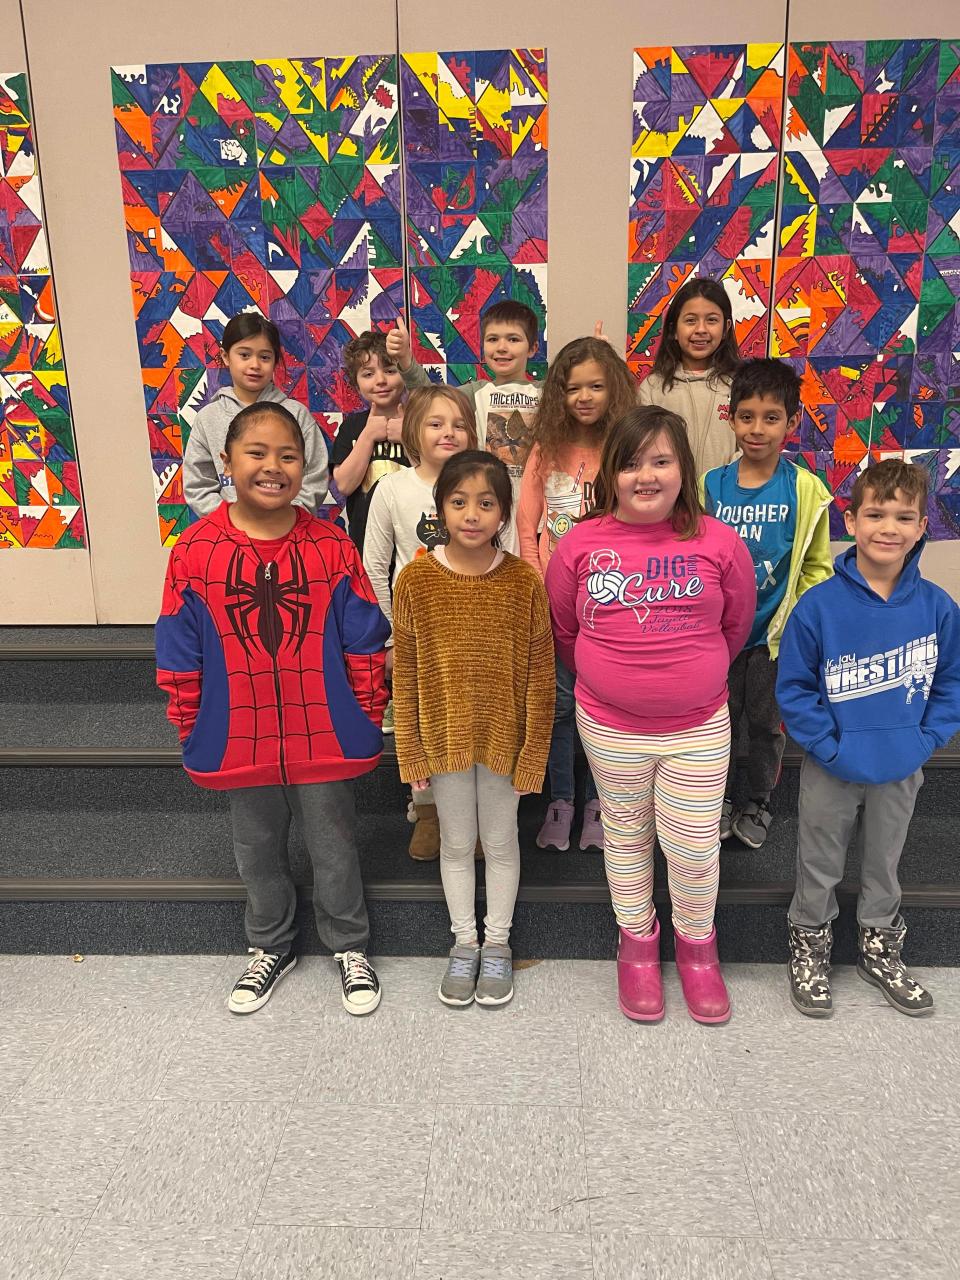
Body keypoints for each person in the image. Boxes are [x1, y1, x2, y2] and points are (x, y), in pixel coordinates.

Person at [156, 401, 389, 1016]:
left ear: (306, 463)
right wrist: (188, 718)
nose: (273, 466)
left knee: (333, 840)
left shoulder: (330, 546)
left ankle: (349, 944)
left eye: (288, 454)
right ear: (226, 462)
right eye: (256, 453)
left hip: (324, 724)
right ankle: (269, 943)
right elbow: (179, 648)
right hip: (238, 728)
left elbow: (363, 636)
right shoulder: (195, 551)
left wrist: (367, 711)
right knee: (255, 844)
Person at [545, 406, 755, 1023]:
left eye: (661, 461)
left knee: (693, 848)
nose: (646, 475)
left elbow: (735, 626)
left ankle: (696, 949)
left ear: (683, 470)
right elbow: (565, 630)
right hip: (609, 726)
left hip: (698, 727)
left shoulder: (719, 542)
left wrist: (691, 674)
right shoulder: (580, 544)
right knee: (626, 834)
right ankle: (637, 943)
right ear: (611, 473)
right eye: (632, 462)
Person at [777, 459, 960, 1018]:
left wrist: (924, 740)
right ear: (849, 521)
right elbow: (795, 688)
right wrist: (828, 746)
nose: (889, 527)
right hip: (833, 763)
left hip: (902, 763)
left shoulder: (938, 608)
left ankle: (880, 947)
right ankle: (810, 943)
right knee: (820, 861)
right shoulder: (819, 607)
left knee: (886, 860)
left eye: (904, 517)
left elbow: (950, 683)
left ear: (923, 526)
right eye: (875, 514)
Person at [392, 451, 555, 1006]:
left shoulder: (522, 583)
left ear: (504, 515)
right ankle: (464, 943)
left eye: (486, 503)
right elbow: (407, 673)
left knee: (502, 842)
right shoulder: (415, 580)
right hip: (442, 742)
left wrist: (534, 751)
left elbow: (539, 674)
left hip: (505, 742)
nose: (471, 514)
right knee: (458, 845)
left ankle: (499, 944)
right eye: (459, 501)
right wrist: (410, 751)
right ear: (440, 508)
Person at [702, 358, 833, 849]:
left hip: (773, 640)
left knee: (763, 724)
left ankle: (757, 800)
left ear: (792, 423)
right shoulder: (710, 485)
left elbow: (817, 566)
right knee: (718, 724)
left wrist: (795, 622)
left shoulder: (804, 489)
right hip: (717, 637)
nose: (758, 429)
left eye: (771, 417)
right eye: (747, 416)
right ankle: (717, 801)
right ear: (730, 418)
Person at [517, 336, 638, 853]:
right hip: (556, 607)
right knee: (562, 706)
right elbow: (528, 529)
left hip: (613, 604)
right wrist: (540, 592)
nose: (584, 397)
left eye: (596, 386)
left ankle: (601, 805)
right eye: (572, 388)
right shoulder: (546, 450)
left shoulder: (627, 448)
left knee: (607, 707)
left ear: (614, 390)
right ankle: (562, 800)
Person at [363, 386, 478, 859]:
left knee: (472, 723)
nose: (448, 433)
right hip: (415, 641)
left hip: (474, 635)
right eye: (435, 423)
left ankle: (471, 817)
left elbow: (506, 553)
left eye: (457, 423)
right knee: (422, 726)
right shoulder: (392, 488)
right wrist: (393, 636)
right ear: (413, 430)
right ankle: (427, 810)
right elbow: (373, 567)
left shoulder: (483, 484)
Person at [183, 312, 328, 516]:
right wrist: (233, 522)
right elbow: (198, 485)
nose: (255, 365)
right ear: (225, 357)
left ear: (275, 361)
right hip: (229, 536)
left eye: (265, 357)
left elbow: (315, 475)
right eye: (244, 355)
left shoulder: (297, 414)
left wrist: (289, 518)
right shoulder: (208, 418)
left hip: (288, 532)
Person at [330, 318, 430, 555]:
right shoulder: (352, 427)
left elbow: (433, 481)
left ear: (403, 375)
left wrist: (407, 437)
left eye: (390, 370)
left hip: (414, 541)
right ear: (356, 384)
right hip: (366, 543)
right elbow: (343, 485)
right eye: (368, 374)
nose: (381, 381)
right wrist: (367, 436)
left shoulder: (421, 423)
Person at [454, 300, 543, 552]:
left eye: (513, 339)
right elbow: (431, 400)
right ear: (483, 347)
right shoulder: (475, 392)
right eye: (493, 339)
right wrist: (406, 364)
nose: (502, 347)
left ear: (533, 348)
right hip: (489, 506)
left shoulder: (545, 392)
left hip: (535, 509)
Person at [638, 279, 740, 474]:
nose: (701, 329)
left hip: (725, 498)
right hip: (669, 501)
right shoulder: (653, 388)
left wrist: (724, 483)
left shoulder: (740, 385)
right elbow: (641, 449)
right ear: (673, 329)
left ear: (726, 328)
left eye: (711, 320)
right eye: (690, 320)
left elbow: (751, 446)